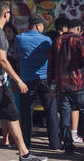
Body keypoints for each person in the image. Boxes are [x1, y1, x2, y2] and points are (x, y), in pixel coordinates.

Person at [0, 2, 46, 161]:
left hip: (1, 82)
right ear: (6, 14)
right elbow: (2, 59)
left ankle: (24, 154)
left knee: (12, 115)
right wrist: (18, 80)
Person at [14, 13, 60, 150]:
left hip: (26, 80)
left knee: (27, 112)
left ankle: (26, 143)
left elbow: (17, 56)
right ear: (38, 25)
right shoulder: (47, 40)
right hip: (44, 79)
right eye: (42, 26)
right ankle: (55, 143)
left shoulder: (19, 39)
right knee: (51, 110)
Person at [53, 16, 84, 155]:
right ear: (79, 29)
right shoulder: (80, 39)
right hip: (79, 83)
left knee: (64, 114)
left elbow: (51, 63)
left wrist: (51, 82)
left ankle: (68, 144)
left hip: (62, 85)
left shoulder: (57, 40)